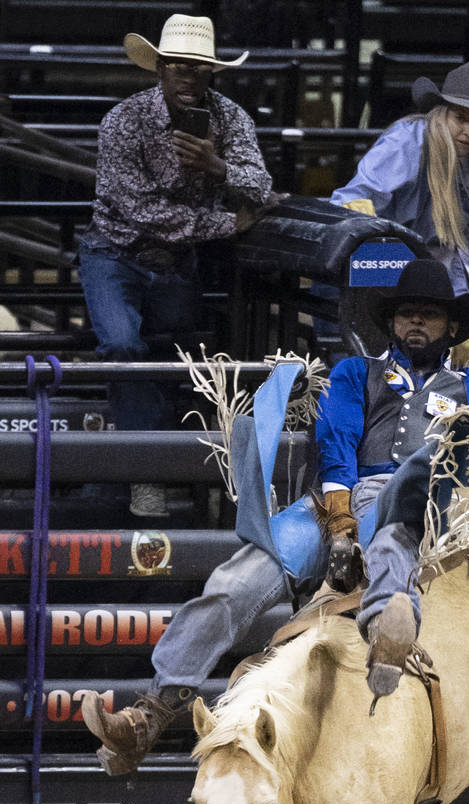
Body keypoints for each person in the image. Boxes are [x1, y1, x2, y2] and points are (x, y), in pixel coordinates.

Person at [81, 259, 469, 770]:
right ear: (390, 321)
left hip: (416, 501)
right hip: (334, 498)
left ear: (450, 326)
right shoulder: (354, 374)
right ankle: (153, 712)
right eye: (406, 311)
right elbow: (336, 439)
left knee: (392, 529)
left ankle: (389, 632)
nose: (415, 321)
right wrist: (339, 521)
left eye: (428, 313)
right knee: (236, 581)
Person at [77, 13, 274, 518]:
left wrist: (216, 166)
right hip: (116, 251)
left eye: (199, 69)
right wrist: (226, 224)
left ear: (211, 73)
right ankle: (145, 476)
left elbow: (261, 186)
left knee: (173, 357)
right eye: (179, 67)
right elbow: (135, 211)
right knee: (124, 345)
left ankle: (137, 473)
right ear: (159, 69)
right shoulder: (124, 120)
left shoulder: (229, 119)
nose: (189, 77)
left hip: (175, 263)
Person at [329, 61, 469, 311]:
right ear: (442, 112)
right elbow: (353, 201)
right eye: (461, 117)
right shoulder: (409, 140)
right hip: (371, 268)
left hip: (425, 279)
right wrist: (382, 272)